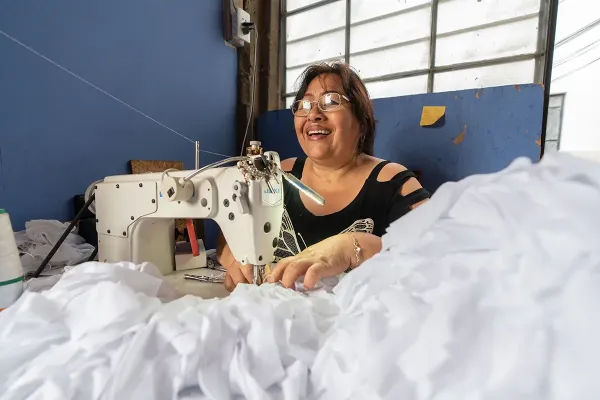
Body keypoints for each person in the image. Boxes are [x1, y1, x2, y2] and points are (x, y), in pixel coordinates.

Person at [217, 62, 430, 291]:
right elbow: (229, 237)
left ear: (361, 120)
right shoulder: (275, 174)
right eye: (305, 104)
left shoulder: (393, 182)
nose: (314, 115)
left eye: (330, 102)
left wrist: (357, 248)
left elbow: (439, 257)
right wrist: (235, 260)